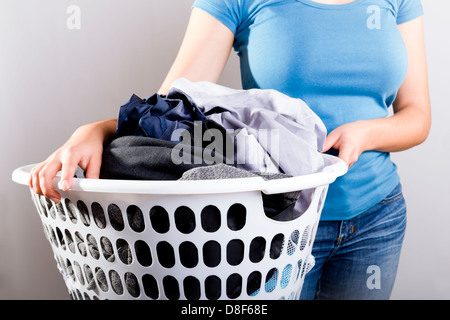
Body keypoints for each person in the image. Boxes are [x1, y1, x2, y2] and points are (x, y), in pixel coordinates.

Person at [29, 0, 431, 300]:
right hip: (273, 229)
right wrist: (95, 130)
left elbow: (417, 115)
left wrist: (362, 135)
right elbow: (173, 108)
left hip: (376, 218)